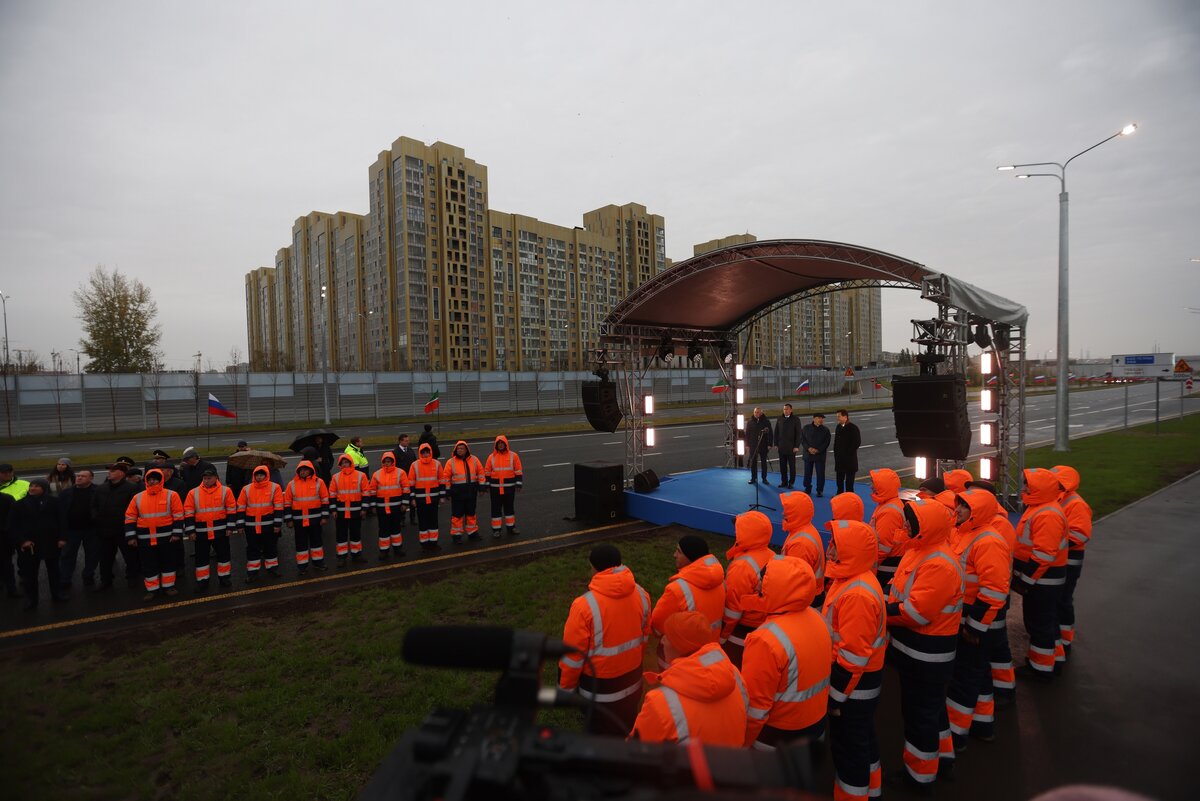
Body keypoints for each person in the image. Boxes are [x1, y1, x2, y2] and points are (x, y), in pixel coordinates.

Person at [885, 498, 965, 792]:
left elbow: (916, 612)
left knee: (920, 716)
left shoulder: (939, 563)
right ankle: (943, 758)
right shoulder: (918, 550)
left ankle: (919, 778)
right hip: (915, 652)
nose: (904, 525)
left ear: (925, 527)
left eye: (910, 521)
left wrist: (878, 613)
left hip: (927, 656)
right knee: (931, 711)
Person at [822, 513, 887, 801]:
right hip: (859, 684)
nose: (830, 549)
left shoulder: (857, 593)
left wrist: (835, 698)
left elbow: (852, 657)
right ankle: (871, 790)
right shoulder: (853, 579)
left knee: (850, 749)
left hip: (854, 688)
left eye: (835, 544)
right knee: (862, 742)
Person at [943, 488, 1011, 759]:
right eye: (958, 505)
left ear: (978, 512)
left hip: (979, 623)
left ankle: (955, 735)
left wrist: (974, 627)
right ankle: (983, 725)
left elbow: (994, 591)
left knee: (964, 678)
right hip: (972, 619)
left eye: (963, 507)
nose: (957, 510)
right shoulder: (965, 533)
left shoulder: (988, 541)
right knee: (980, 675)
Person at [559, 543, 651, 736]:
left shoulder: (583, 606)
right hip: (633, 683)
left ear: (594, 568)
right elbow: (644, 638)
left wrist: (565, 690)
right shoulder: (642, 595)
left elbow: (572, 656)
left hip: (598, 692)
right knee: (626, 729)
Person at [741, 555, 832, 749]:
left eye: (763, 582)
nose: (757, 586)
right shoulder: (818, 619)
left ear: (776, 589)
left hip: (778, 735)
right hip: (815, 725)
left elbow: (755, 709)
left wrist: (743, 743)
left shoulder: (765, 640)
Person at [630, 610, 748, 747]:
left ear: (678, 646)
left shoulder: (661, 703)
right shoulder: (734, 674)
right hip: (732, 764)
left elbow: (637, 750)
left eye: (667, 637)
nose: (662, 640)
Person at [963, 478, 1018, 725]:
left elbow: (995, 577)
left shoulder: (997, 528)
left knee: (993, 649)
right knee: (984, 658)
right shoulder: (974, 527)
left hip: (988, 604)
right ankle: (988, 705)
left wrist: (977, 621)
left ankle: (1004, 690)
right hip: (980, 605)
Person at [1012, 468, 1069, 682]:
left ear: (1040, 488)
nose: (1024, 488)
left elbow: (1043, 554)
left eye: (1028, 485)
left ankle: (1041, 669)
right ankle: (1055, 659)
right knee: (1048, 622)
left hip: (1043, 580)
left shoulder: (1047, 514)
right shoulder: (1040, 508)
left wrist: (1024, 581)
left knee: (1039, 624)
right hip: (1045, 579)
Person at [650, 534, 725, 669]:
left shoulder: (677, 590)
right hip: (710, 652)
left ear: (690, 556)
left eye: (679, 551)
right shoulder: (720, 582)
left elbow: (657, 625)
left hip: (679, 657)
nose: (674, 555)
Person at [721, 510, 776, 669]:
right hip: (766, 626)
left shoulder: (742, 566)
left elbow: (733, 610)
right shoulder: (772, 555)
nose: (735, 532)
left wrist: (722, 639)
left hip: (743, 630)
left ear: (747, 534)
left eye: (738, 529)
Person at [1051, 464, 1093, 665]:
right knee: (1058, 602)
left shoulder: (1075, 503)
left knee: (1062, 601)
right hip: (1059, 560)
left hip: (1068, 561)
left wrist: (1050, 542)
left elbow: (1080, 534)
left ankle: (1064, 641)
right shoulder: (1059, 499)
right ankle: (1060, 640)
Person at [124, 468, 185, 601]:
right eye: (150, 479)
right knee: (148, 564)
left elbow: (179, 515)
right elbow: (130, 517)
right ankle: (152, 589)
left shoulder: (171, 495)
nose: (152, 481)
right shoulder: (138, 497)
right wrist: (131, 536)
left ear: (160, 480)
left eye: (155, 479)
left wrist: (176, 533)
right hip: (145, 539)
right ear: (146, 480)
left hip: (167, 538)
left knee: (168, 562)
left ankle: (169, 586)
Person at [8, 478, 67, 609]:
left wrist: (62, 538)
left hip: (51, 542)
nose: (32, 488)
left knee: (54, 570)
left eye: (36, 486)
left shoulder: (54, 502)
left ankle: (57, 594)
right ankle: (31, 599)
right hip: (31, 545)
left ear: (44, 488)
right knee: (30, 574)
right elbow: (13, 526)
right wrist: (22, 541)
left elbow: (62, 520)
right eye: (31, 486)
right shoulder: (19, 504)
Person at [183, 467, 238, 590]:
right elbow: (188, 512)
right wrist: (190, 531)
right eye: (204, 478)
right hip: (201, 532)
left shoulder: (226, 491)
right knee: (201, 557)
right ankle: (202, 581)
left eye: (209, 478)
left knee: (223, 556)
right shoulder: (193, 492)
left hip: (221, 531)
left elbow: (231, 509)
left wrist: (230, 527)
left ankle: (224, 578)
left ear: (216, 478)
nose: (206, 481)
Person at [92, 462, 140, 590]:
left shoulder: (131, 488)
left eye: (113, 471)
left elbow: (136, 508)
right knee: (105, 558)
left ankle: (132, 578)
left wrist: (132, 529)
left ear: (121, 473)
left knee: (130, 556)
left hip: (123, 530)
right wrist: (96, 518)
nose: (109, 473)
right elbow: (94, 506)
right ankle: (106, 581)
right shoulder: (101, 488)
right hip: (105, 530)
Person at [238, 466, 286, 577]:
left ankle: (272, 569)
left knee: (270, 547)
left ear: (266, 475)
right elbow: (241, 507)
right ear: (254, 476)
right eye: (257, 475)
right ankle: (252, 572)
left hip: (268, 525)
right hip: (251, 526)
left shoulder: (275, 487)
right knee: (252, 548)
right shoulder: (246, 489)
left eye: (261, 475)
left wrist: (277, 524)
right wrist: (240, 524)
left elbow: (278, 507)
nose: (259, 477)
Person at [284, 460, 330, 572]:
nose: (303, 472)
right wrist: (288, 519)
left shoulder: (319, 482)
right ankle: (302, 566)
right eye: (301, 470)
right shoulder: (292, 484)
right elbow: (287, 503)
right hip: (298, 521)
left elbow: (325, 500)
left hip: (315, 520)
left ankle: (318, 563)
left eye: (305, 470)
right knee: (301, 544)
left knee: (316, 543)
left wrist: (324, 517)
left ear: (311, 470)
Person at [58, 468, 99, 591]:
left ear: (91, 478)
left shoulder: (97, 491)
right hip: (72, 530)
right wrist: (61, 534)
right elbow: (60, 514)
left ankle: (88, 575)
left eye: (83, 476)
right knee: (68, 555)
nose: (79, 478)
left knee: (92, 554)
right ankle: (65, 579)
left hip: (91, 530)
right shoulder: (66, 493)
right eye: (78, 476)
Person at [781, 491, 824, 607]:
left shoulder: (801, 543)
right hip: (812, 594)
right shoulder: (804, 528)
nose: (783, 513)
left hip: (805, 599)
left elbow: (795, 580)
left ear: (796, 513)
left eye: (787, 510)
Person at [329, 454, 371, 564]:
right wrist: (333, 510)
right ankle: (341, 558)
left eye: (346, 462)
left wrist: (364, 509)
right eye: (342, 463)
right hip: (341, 513)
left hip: (356, 511)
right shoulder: (336, 477)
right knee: (341, 535)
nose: (344, 464)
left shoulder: (361, 475)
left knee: (355, 534)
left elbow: (366, 493)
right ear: (340, 465)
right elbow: (332, 495)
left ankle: (356, 555)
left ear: (351, 463)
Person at [869, 468, 907, 591]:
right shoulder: (889, 504)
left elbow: (883, 546)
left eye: (874, 483)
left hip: (886, 567)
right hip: (888, 563)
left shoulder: (889, 511)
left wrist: (868, 566)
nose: (871, 486)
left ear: (883, 486)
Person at [442, 440, 485, 544]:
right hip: (457, 494)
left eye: (462, 448)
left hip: (471, 492)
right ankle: (456, 536)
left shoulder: (474, 460)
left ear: (466, 450)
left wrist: (482, 487)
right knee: (457, 515)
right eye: (458, 448)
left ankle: (472, 533)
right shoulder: (450, 462)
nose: (460, 450)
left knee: (471, 513)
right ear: (455, 450)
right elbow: (446, 478)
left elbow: (481, 473)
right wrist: (447, 491)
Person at [370, 453, 410, 559]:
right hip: (382, 507)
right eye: (385, 461)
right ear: (383, 462)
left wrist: (405, 503)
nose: (387, 463)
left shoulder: (400, 473)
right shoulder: (376, 474)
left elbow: (405, 488)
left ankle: (398, 548)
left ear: (393, 462)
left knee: (396, 528)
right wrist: (373, 506)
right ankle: (384, 550)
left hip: (396, 507)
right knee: (383, 529)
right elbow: (372, 491)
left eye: (389, 461)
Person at [0, 463, 31, 598]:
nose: (7, 474)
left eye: (9, 471)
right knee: (4, 560)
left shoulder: (24, 484)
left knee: (23, 554)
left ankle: (24, 576)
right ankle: (6, 583)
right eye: (3, 472)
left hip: (20, 526)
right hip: (3, 531)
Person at [483, 435, 523, 537]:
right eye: (498, 444)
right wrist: (486, 485)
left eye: (502, 443)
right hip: (495, 489)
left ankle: (511, 527)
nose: (500, 445)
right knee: (496, 509)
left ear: (506, 444)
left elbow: (518, 470)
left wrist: (518, 484)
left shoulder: (513, 456)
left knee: (509, 508)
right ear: (496, 445)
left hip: (509, 488)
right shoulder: (491, 457)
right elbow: (487, 472)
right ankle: (496, 530)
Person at [408, 443, 444, 547]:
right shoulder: (414, 465)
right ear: (420, 453)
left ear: (430, 452)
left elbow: (442, 481)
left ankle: (433, 542)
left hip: (433, 498)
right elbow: (411, 483)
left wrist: (442, 496)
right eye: (423, 452)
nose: (425, 454)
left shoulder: (437, 464)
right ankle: (424, 543)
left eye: (427, 452)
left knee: (433, 520)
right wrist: (413, 499)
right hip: (420, 499)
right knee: (423, 521)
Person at [801, 412, 831, 497]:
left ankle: (820, 490)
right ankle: (807, 488)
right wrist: (809, 448)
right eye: (819, 418)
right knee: (807, 473)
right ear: (814, 419)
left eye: (822, 418)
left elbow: (826, 442)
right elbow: (803, 440)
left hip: (820, 455)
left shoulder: (826, 430)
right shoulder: (806, 428)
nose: (821, 420)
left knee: (820, 473)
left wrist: (818, 450)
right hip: (808, 454)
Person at [392, 433, 419, 526]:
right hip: (401, 480)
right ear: (400, 441)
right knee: (403, 500)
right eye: (406, 440)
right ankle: (402, 519)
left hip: (411, 479)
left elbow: (415, 463)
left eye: (408, 440)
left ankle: (412, 518)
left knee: (412, 499)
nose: (408, 442)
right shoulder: (395, 452)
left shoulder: (410, 450)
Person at [833, 410, 862, 495]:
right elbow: (836, 442)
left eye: (839, 416)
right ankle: (840, 495)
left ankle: (850, 497)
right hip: (839, 460)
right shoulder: (838, 427)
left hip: (849, 460)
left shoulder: (853, 428)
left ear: (845, 417)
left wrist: (847, 453)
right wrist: (836, 454)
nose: (837, 418)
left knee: (849, 482)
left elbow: (857, 442)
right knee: (839, 480)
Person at [774, 403, 801, 489]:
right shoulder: (779, 419)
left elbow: (798, 434)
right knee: (782, 466)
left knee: (792, 466)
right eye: (784, 409)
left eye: (787, 409)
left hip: (791, 448)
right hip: (781, 447)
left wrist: (796, 446)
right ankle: (784, 481)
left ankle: (791, 482)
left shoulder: (796, 419)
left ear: (791, 410)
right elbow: (776, 432)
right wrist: (776, 444)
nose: (785, 411)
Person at [745, 407, 773, 484]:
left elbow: (770, 433)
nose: (757, 414)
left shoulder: (766, 421)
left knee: (764, 462)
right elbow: (747, 434)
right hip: (753, 445)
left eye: (758, 412)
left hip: (763, 445)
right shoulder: (750, 422)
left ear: (761, 413)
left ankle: (764, 478)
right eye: (755, 412)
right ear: (753, 412)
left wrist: (770, 444)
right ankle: (753, 478)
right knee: (753, 462)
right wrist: (747, 444)